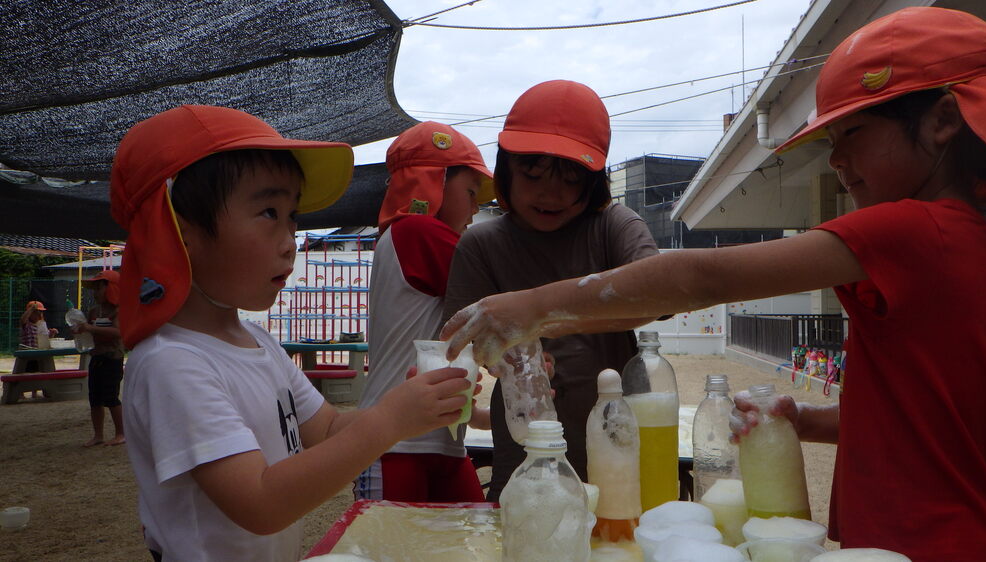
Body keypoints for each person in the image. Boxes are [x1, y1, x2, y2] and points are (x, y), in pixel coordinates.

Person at [441, 8, 986, 560]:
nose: (836, 158)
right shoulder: (955, 242)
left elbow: (696, 277)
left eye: (851, 131)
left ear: (942, 121)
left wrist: (534, 308)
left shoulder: (917, 227)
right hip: (924, 533)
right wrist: (803, 420)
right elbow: (923, 417)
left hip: (934, 539)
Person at [112, 105, 472, 561]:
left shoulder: (256, 342)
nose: (290, 241)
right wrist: (392, 420)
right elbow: (261, 503)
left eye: (292, 217)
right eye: (268, 212)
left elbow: (329, 428)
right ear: (179, 234)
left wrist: (418, 404)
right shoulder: (173, 363)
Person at [440, 79, 660, 501]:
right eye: (533, 172)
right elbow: (461, 345)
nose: (549, 192)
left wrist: (541, 314)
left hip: (619, 457)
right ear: (506, 169)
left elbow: (660, 286)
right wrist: (509, 357)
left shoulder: (612, 226)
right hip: (525, 462)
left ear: (594, 182)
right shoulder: (482, 246)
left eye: (570, 177)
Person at [354, 122, 495, 502]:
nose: (476, 206)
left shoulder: (401, 239)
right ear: (433, 183)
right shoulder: (415, 231)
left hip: (436, 441)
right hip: (397, 446)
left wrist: (480, 416)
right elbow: (504, 296)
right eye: (470, 191)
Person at [76, 270, 126, 447]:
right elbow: (88, 332)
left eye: (99, 288)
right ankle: (98, 435)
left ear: (111, 289)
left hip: (112, 358)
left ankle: (121, 433)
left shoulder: (119, 311)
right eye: (94, 289)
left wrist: (91, 329)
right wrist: (79, 330)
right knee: (94, 398)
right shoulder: (93, 311)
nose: (95, 292)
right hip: (96, 357)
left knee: (111, 396)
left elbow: (119, 332)